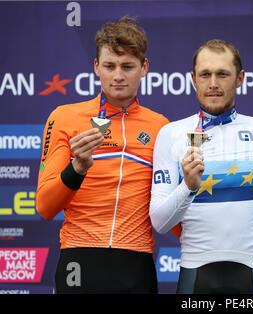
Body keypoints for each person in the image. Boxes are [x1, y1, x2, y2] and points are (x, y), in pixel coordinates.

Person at [36, 16, 178, 293]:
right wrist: (77, 168)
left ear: (144, 68)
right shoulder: (65, 117)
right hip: (80, 254)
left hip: (135, 259)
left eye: (128, 66)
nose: (118, 76)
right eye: (110, 66)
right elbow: (44, 206)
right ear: (96, 67)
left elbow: (169, 209)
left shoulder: (161, 126)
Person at [150, 39, 253, 294]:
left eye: (222, 74)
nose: (213, 84)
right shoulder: (171, 134)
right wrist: (187, 186)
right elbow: (159, 222)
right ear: (193, 79)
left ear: (240, 78)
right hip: (196, 272)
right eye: (205, 74)